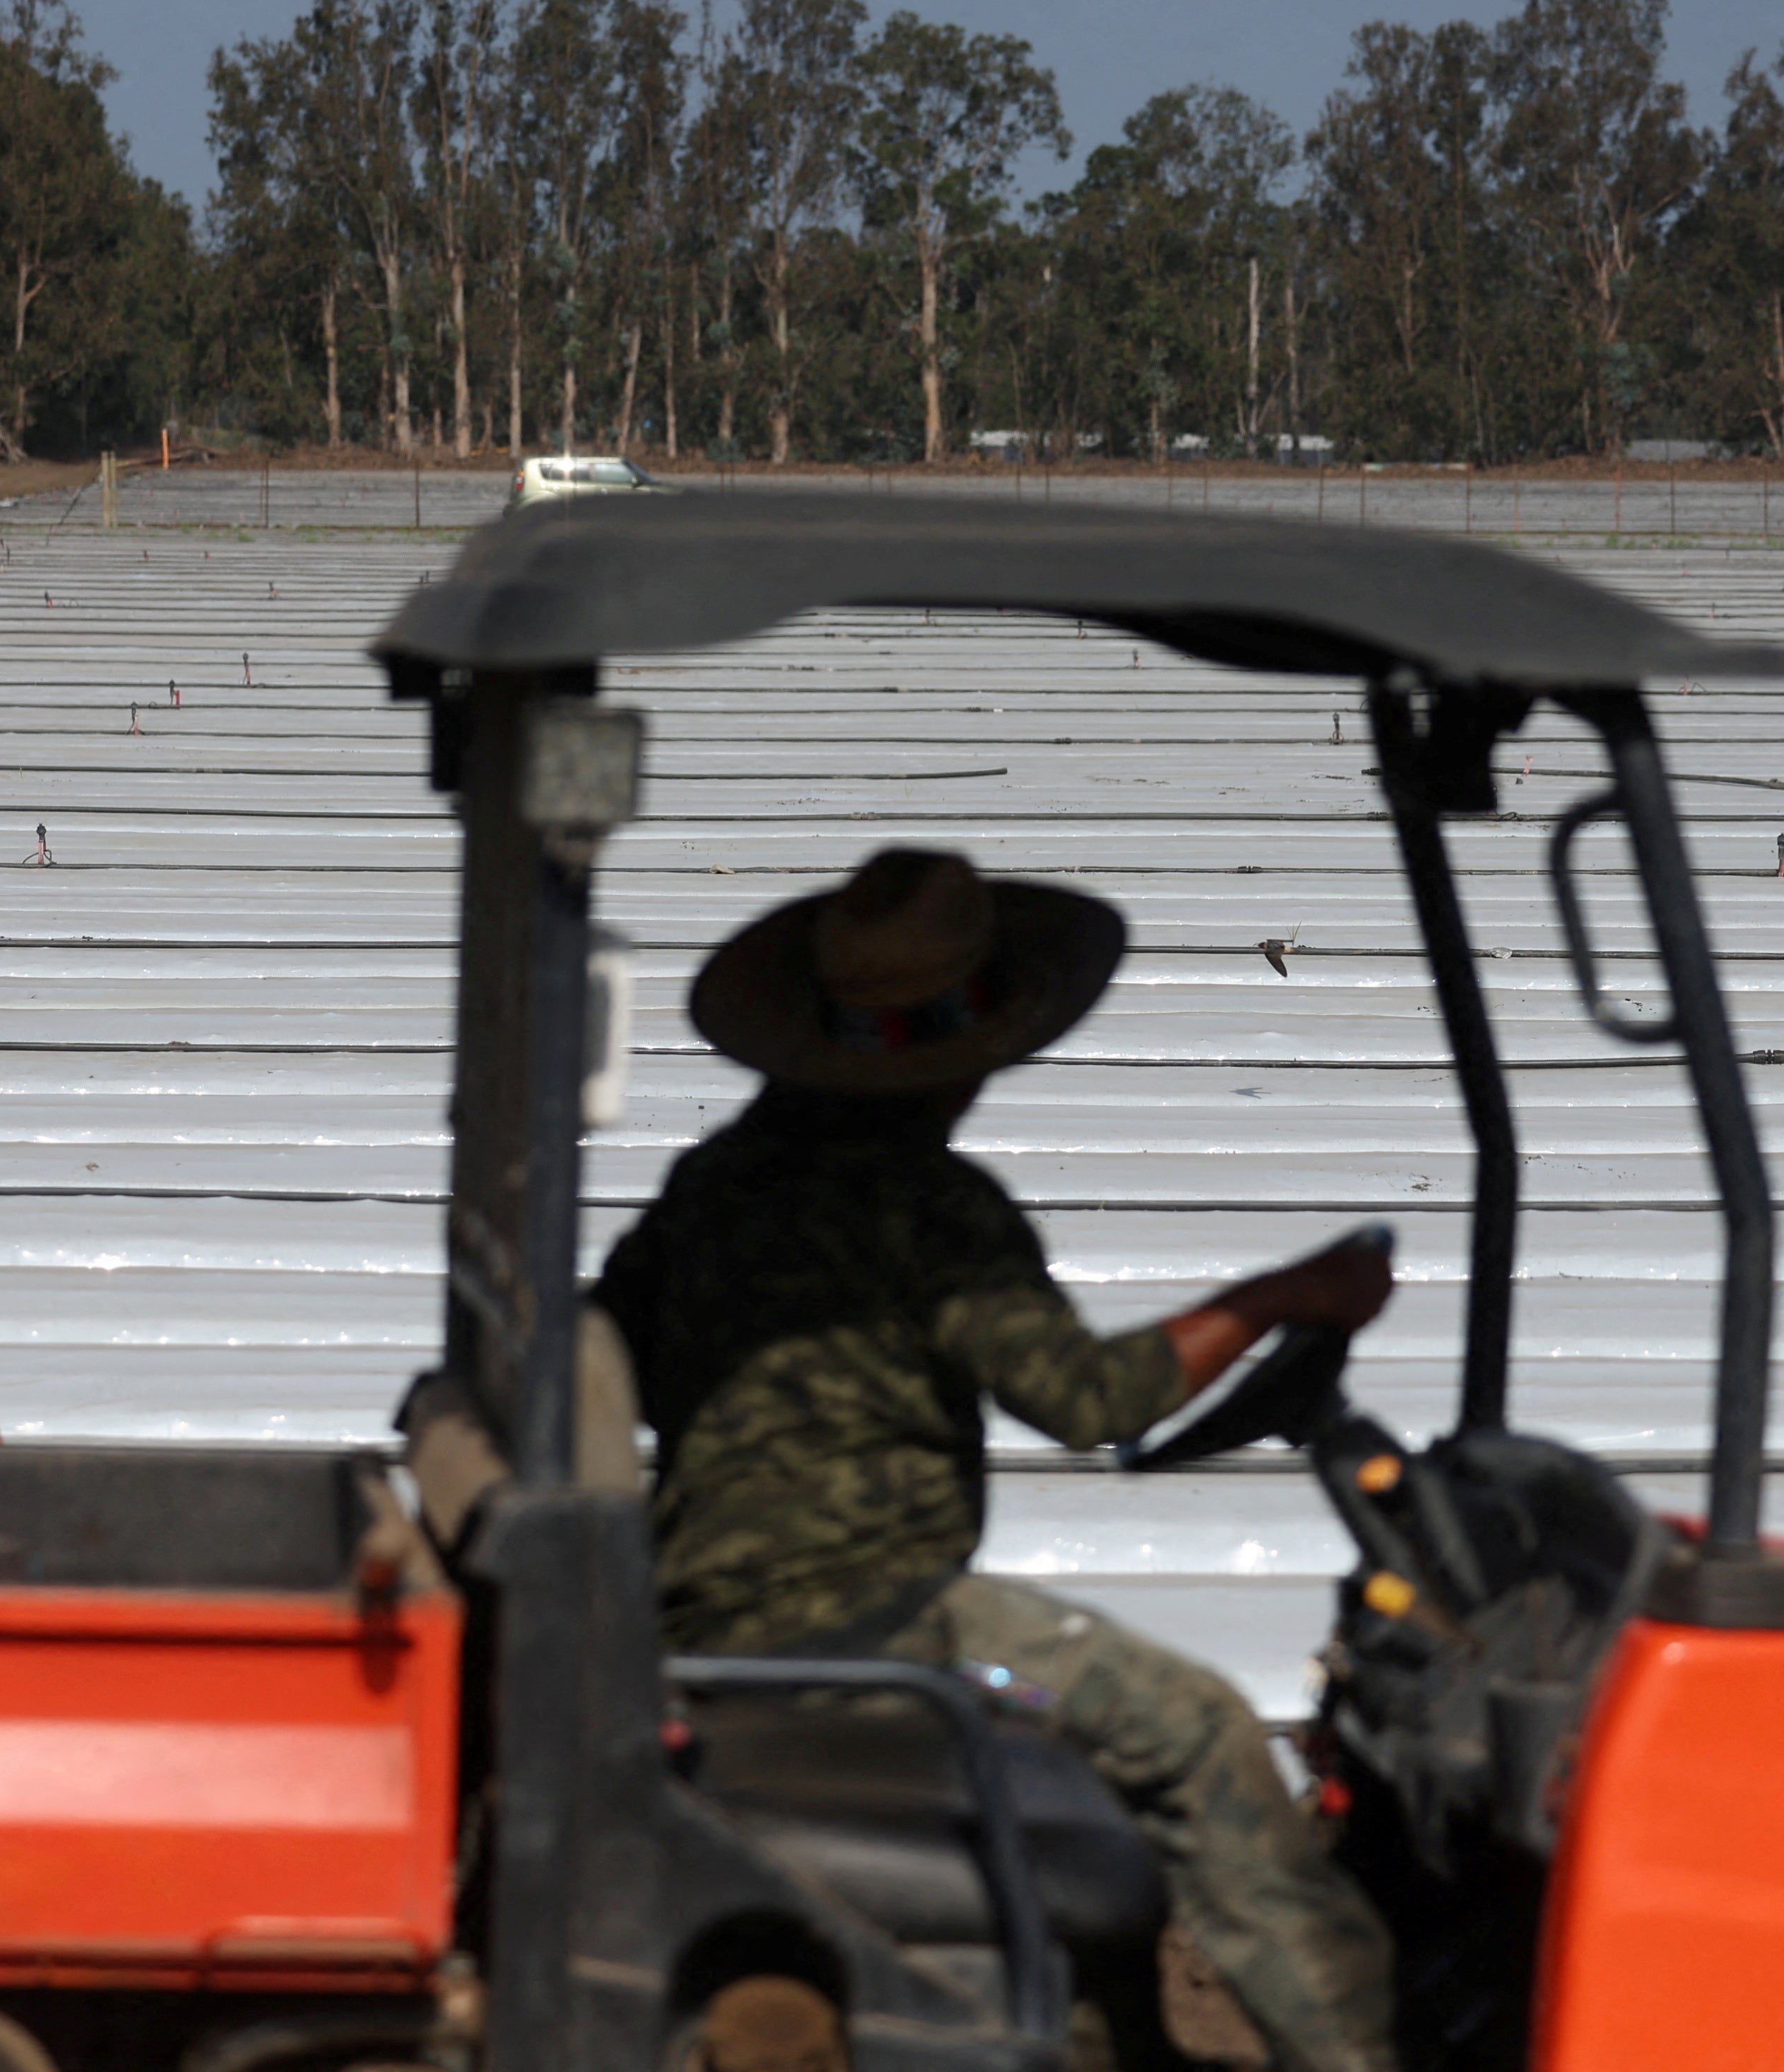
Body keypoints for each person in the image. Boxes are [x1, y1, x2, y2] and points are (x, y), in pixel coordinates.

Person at [593, 847, 1400, 2072]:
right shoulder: (934, 1207)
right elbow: (1089, 1400)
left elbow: (626, 1357)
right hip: (875, 1627)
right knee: (1198, 1734)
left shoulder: (712, 1183)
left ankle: (1113, 2029)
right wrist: (1284, 1294)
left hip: (708, 1608)